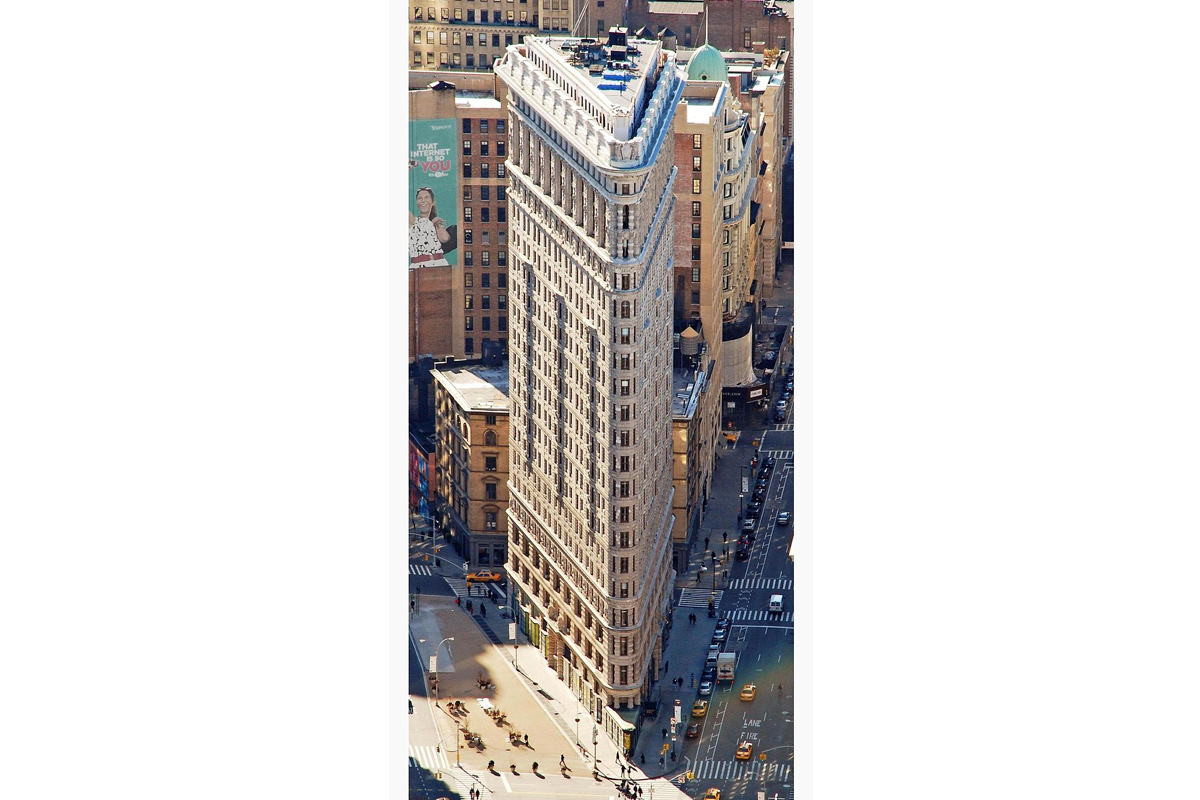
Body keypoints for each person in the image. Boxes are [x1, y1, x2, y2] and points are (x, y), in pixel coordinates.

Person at [409, 186, 452, 267]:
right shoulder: (413, 221)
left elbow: (444, 238)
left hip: (440, 263)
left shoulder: (435, 222)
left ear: (432, 202)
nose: (423, 201)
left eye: (426, 197)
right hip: (419, 265)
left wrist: (437, 223)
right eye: (419, 198)